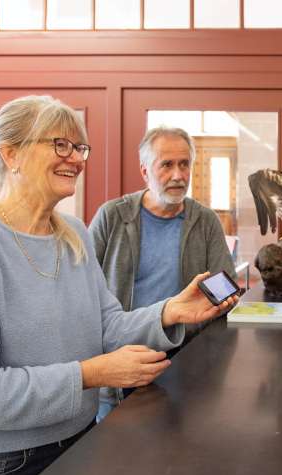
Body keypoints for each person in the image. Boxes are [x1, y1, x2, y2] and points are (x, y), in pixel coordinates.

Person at [0, 95, 237, 475]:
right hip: (3, 462)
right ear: (11, 154)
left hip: (81, 438)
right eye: (60, 145)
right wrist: (91, 374)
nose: (76, 159)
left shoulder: (73, 234)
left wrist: (169, 311)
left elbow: (107, 325)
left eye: (80, 148)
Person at [88, 126, 236, 420]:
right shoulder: (111, 216)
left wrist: (221, 300)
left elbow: (225, 286)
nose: (178, 175)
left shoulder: (205, 221)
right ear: (145, 171)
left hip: (183, 366)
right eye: (166, 165)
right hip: (121, 363)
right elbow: (84, 291)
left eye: (184, 164)